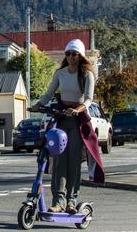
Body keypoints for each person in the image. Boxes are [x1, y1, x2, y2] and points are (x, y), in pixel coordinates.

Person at [33, 39, 105, 214]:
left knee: (73, 162)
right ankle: (58, 201)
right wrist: (37, 105)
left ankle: (71, 201)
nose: (71, 57)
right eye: (68, 54)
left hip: (78, 121)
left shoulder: (87, 74)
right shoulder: (60, 74)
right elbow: (49, 93)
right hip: (61, 119)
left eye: (74, 54)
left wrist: (77, 109)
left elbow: (88, 99)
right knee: (59, 161)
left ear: (80, 56)